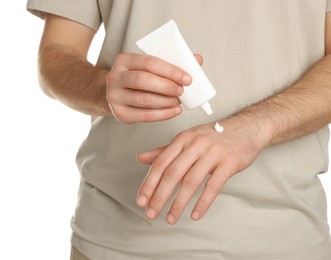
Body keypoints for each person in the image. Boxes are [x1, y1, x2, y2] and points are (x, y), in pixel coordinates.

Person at [27, 1, 331, 259]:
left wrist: (254, 126)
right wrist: (102, 89)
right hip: (117, 242)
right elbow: (56, 52)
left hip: (287, 241)